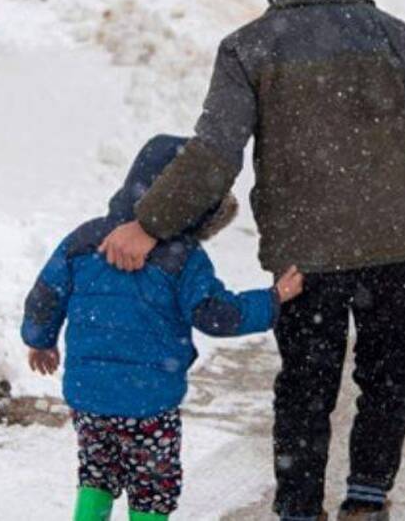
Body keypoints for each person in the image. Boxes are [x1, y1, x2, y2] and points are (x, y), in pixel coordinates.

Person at [97, 0, 405, 521]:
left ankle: (300, 508)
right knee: (389, 381)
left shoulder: (252, 47)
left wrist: (149, 222)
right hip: (397, 255)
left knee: (305, 388)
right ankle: (366, 497)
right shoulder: (396, 40)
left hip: (304, 263)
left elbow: (212, 154)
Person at [22, 134, 305, 521]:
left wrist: (40, 340)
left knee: (97, 473)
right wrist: (272, 299)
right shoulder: (183, 256)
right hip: (148, 403)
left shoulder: (84, 238)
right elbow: (215, 315)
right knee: (153, 486)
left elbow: (45, 294)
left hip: (90, 396)